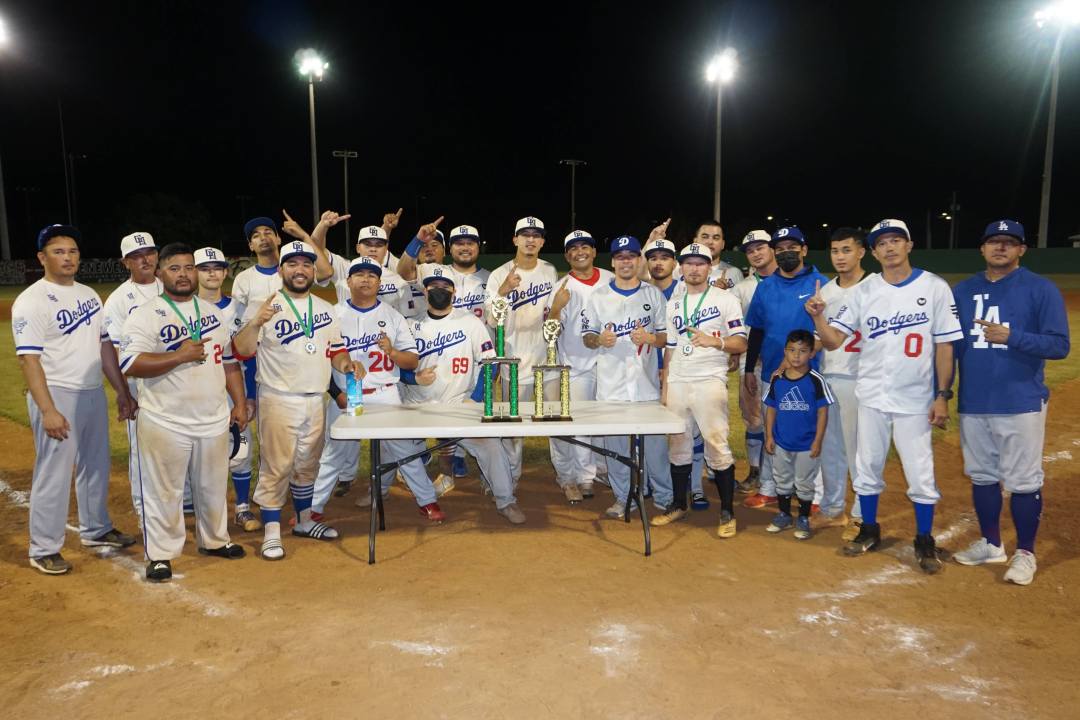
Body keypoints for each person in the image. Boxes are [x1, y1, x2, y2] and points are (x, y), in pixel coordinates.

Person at [807, 218, 963, 574]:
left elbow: (945, 347)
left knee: (920, 471)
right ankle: (870, 530)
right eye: (883, 243)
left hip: (915, 398)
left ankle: (924, 538)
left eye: (896, 240)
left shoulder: (934, 287)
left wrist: (942, 395)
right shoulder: (865, 291)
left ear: (908, 246)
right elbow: (833, 340)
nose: (890, 248)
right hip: (872, 394)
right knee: (867, 466)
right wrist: (818, 318)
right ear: (874, 252)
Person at [950, 219, 1070, 586]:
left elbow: (1059, 345)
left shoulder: (1040, 289)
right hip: (974, 400)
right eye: (993, 241)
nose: (1000, 247)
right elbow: (950, 346)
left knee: (1022, 481)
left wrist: (1013, 337)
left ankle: (1026, 552)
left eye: (1009, 242)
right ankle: (991, 543)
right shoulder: (964, 291)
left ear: (1021, 250)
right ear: (983, 248)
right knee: (983, 475)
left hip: (1020, 400)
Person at [119, 243, 248, 581]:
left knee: (213, 486)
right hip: (166, 419)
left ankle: (215, 540)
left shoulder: (212, 313)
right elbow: (131, 363)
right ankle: (160, 554)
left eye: (188, 267)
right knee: (164, 491)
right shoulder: (145, 315)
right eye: (174, 268)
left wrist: (239, 402)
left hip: (213, 416)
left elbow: (230, 363)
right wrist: (178, 355)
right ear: (160, 273)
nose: (183, 274)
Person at [13, 224, 137, 575]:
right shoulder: (31, 300)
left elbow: (103, 347)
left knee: (95, 465)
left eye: (72, 251)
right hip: (57, 393)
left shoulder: (88, 295)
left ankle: (96, 529)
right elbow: (28, 359)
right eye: (57, 251)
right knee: (53, 472)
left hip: (91, 392)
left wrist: (121, 391)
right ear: (42, 257)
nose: (67, 257)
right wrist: (48, 409)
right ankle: (43, 548)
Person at [232, 240, 363, 560]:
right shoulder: (264, 305)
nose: (300, 269)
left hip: (315, 398)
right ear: (281, 270)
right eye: (293, 264)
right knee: (276, 467)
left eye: (306, 264)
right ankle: (272, 532)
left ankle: (304, 521)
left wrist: (346, 364)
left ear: (312, 270)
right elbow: (242, 350)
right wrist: (255, 322)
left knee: (308, 464)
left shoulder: (324, 308)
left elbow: (335, 351)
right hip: (279, 398)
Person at [309, 256, 443, 522]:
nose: (366, 279)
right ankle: (313, 508)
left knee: (404, 451)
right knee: (333, 454)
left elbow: (412, 360)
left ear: (380, 282)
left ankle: (427, 501)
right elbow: (319, 362)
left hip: (385, 394)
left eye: (372, 275)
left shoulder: (392, 316)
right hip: (345, 396)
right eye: (359, 274)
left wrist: (392, 351)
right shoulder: (333, 315)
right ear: (348, 281)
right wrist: (336, 394)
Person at [402, 266, 527, 524]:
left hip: (460, 404)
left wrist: (476, 398)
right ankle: (398, 494)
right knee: (397, 448)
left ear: (454, 292)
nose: (439, 290)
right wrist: (412, 378)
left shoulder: (470, 322)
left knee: (492, 446)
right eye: (434, 286)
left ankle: (505, 501)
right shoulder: (410, 325)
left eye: (445, 286)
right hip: (418, 406)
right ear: (425, 291)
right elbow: (395, 368)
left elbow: (489, 363)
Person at [654, 242, 748, 535]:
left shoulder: (725, 299)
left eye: (701, 263)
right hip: (679, 381)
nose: (694, 268)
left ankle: (727, 513)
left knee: (716, 444)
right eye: (689, 263)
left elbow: (741, 342)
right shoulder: (673, 304)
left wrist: (716, 342)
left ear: (710, 268)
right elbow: (670, 348)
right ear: (681, 267)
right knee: (679, 446)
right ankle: (679, 504)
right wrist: (666, 386)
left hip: (709, 379)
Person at [582, 235, 673, 518]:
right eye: (620, 257)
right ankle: (624, 497)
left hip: (645, 386)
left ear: (639, 260)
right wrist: (599, 340)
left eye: (631, 256)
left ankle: (664, 495)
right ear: (612, 262)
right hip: (611, 386)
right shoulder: (597, 296)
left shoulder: (652, 295)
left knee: (656, 447)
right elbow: (586, 336)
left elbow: (666, 337)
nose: (626, 261)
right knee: (617, 448)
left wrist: (650, 337)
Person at [397, 221, 492, 483]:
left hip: (474, 345)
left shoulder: (489, 278)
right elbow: (403, 270)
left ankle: (454, 458)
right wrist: (418, 240)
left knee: (461, 400)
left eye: (470, 242)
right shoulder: (435, 272)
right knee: (436, 393)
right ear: (451, 249)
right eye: (459, 243)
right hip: (437, 342)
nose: (464, 247)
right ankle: (426, 456)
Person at [742, 226, 829, 509]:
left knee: (808, 432)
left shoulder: (821, 283)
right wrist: (747, 371)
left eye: (792, 247)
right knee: (773, 432)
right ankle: (769, 487)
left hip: (810, 374)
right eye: (779, 249)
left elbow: (832, 331)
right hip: (773, 373)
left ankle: (812, 493)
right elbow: (756, 329)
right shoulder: (765, 286)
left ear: (804, 250)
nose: (786, 253)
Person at [484, 216, 558, 484]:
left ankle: (568, 478)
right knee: (513, 429)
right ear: (515, 239)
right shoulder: (498, 274)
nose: (530, 239)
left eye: (536, 235)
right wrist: (504, 289)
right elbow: (492, 320)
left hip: (547, 361)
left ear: (542, 242)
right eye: (525, 234)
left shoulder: (549, 270)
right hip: (512, 364)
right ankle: (510, 479)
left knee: (557, 422)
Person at [545, 230, 614, 503]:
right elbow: (549, 333)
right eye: (573, 248)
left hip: (610, 364)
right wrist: (555, 309)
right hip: (575, 365)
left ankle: (600, 469)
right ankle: (582, 476)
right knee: (580, 423)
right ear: (566, 255)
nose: (580, 251)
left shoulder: (611, 279)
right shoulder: (561, 287)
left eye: (585, 246)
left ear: (594, 252)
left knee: (605, 422)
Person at [193, 247, 259, 532]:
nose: (211, 272)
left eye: (217, 267)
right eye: (204, 267)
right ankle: (205, 509)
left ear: (225, 272)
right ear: (195, 272)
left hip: (234, 390)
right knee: (200, 455)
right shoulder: (187, 309)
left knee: (241, 451)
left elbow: (252, 355)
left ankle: (242, 508)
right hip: (197, 393)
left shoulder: (240, 311)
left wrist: (249, 398)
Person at [102, 231, 161, 524]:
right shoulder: (118, 300)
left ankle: (184, 503)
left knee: (178, 445)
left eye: (149, 252)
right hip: (139, 384)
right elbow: (112, 350)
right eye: (136, 256)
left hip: (175, 382)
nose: (145, 259)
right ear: (125, 262)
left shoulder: (171, 284)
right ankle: (143, 511)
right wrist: (123, 392)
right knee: (142, 451)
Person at [643, 234, 707, 507]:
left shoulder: (688, 293)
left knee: (690, 430)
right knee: (649, 431)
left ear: (675, 264)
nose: (658, 263)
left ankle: (695, 485)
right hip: (647, 373)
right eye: (653, 258)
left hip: (684, 371)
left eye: (665, 258)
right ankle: (647, 480)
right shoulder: (641, 291)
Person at [817, 227, 873, 539]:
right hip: (829, 377)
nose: (840, 256)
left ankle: (862, 516)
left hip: (861, 379)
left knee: (858, 451)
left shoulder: (875, 287)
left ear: (862, 252)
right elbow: (820, 339)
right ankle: (833, 509)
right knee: (831, 448)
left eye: (847, 250)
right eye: (835, 251)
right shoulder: (825, 292)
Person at [763, 330, 833, 540]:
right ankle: (784, 514)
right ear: (785, 352)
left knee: (804, 482)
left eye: (802, 351)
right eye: (792, 351)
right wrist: (769, 436)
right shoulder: (778, 380)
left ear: (812, 353)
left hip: (806, 443)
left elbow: (823, 411)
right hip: (782, 441)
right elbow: (771, 409)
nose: (796, 356)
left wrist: (818, 440)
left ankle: (803, 517)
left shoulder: (815, 380)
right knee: (782, 479)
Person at [730, 230, 776, 495]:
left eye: (761, 247)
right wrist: (737, 356)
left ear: (772, 249)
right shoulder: (742, 288)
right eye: (750, 250)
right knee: (754, 420)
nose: (756, 253)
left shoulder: (786, 281)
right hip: (752, 361)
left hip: (786, 362)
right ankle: (756, 471)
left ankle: (783, 476)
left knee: (784, 420)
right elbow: (735, 327)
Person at [309, 216, 412, 313]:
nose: (373, 249)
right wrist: (323, 226)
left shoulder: (395, 271)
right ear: (358, 248)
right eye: (367, 244)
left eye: (378, 245)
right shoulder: (344, 268)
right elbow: (316, 250)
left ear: (386, 250)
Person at [689, 220, 744, 289]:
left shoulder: (734, 273)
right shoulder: (684, 271)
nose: (710, 242)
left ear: (723, 244)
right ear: (695, 241)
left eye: (716, 238)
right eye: (705, 237)